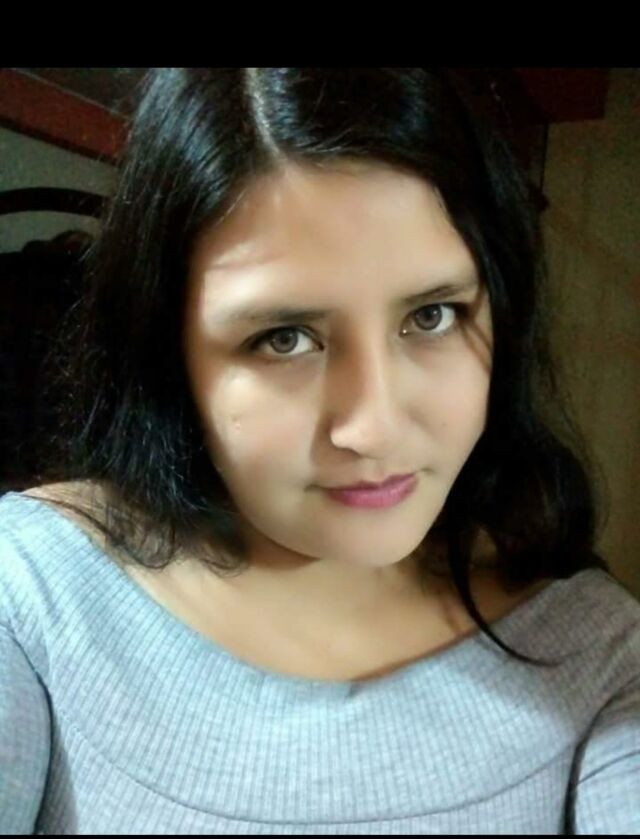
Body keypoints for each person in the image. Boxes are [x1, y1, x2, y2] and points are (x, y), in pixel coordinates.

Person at [1, 68, 638, 835]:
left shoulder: (600, 660)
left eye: (432, 316)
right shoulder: (32, 598)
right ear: (170, 353)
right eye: (285, 338)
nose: (373, 427)